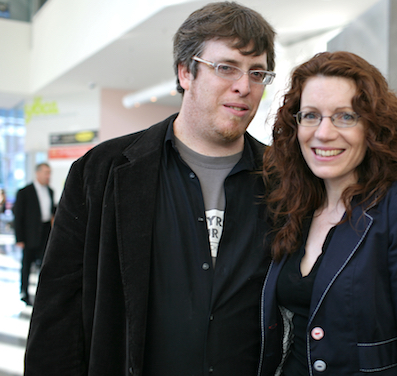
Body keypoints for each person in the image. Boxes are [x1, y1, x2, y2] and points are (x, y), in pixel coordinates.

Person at [24, 2, 276, 375]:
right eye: (225, 68)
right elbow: (58, 310)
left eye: (257, 73)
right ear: (185, 72)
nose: (244, 86)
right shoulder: (103, 171)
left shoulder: (283, 179)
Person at [259, 51, 397, 376]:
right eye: (310, 115)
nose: (323, 133)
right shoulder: (297, 204)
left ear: (372, 127)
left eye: (345, 116)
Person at [14, 163, 55, 306]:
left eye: (49, 173)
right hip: (29, 234)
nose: (48, 176)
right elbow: (18, 217)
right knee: (26, 265)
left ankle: (43, 293)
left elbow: (51, 212)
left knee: (45, 264)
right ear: (37, 173)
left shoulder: (50, 191)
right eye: (45, 172)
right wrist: (19, 238)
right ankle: (24, 292)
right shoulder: (24, 192)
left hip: (45, 233)